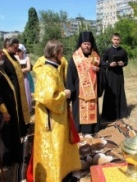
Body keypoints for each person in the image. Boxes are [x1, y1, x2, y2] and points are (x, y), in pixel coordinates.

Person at [33, 39, 81, 181]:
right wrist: (64, 94)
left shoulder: (52, 68)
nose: (62, 55)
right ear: (55, 53)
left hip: (57, 115)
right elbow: (48, 98)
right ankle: (55, 176)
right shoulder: (48, 72)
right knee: (55, 146)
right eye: (61, 52)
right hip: (52, 118)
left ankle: (62, 172)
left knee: (60, 145)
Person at [66, 31, 102, 134]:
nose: (86, 46)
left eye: (88, 44)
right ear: (80, 45)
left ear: (91, 45)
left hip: (93, 89)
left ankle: (92, 128)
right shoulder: (75, 58)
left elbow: (104, 69)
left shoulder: (96, 57)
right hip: (79, 91)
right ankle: (79, 128)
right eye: (84, 44)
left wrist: (99, 70)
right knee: (79, 109)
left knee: (91, 108)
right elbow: (70, 75)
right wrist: (71, 90)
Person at [3, 38, 30, 137]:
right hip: (11, 90)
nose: (17, 50)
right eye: (15, 47)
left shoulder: (12, 57)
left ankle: (21, 128)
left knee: (20, 107)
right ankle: (17, 130)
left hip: (17, 87)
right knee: (15, 109)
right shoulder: (4, 58)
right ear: (8, 47)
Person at [101, 33, 128, 122]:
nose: (116, 41)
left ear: (120, 40)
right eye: (114, 39)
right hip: (110, 75)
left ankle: (120, 113)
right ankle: (108, 114)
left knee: (119, 91)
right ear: (111, 40)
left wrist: (122, 64)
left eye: (118, 40)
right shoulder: (108, 50)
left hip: (119, 74)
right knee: (110, 93)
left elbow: (126, 61)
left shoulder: (123, 51)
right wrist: (109, 64)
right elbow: (102, 62)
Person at [14, 44, 32, 114]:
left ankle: (27, 109)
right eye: (16, 50)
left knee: (26, 92)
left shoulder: (27, 58)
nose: (17, 52)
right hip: (17, 78)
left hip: (24, 78)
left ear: (23, 51)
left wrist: (20, 71)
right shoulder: (14, 57)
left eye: (19, 50)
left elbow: (29, 68)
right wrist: (23, 70)